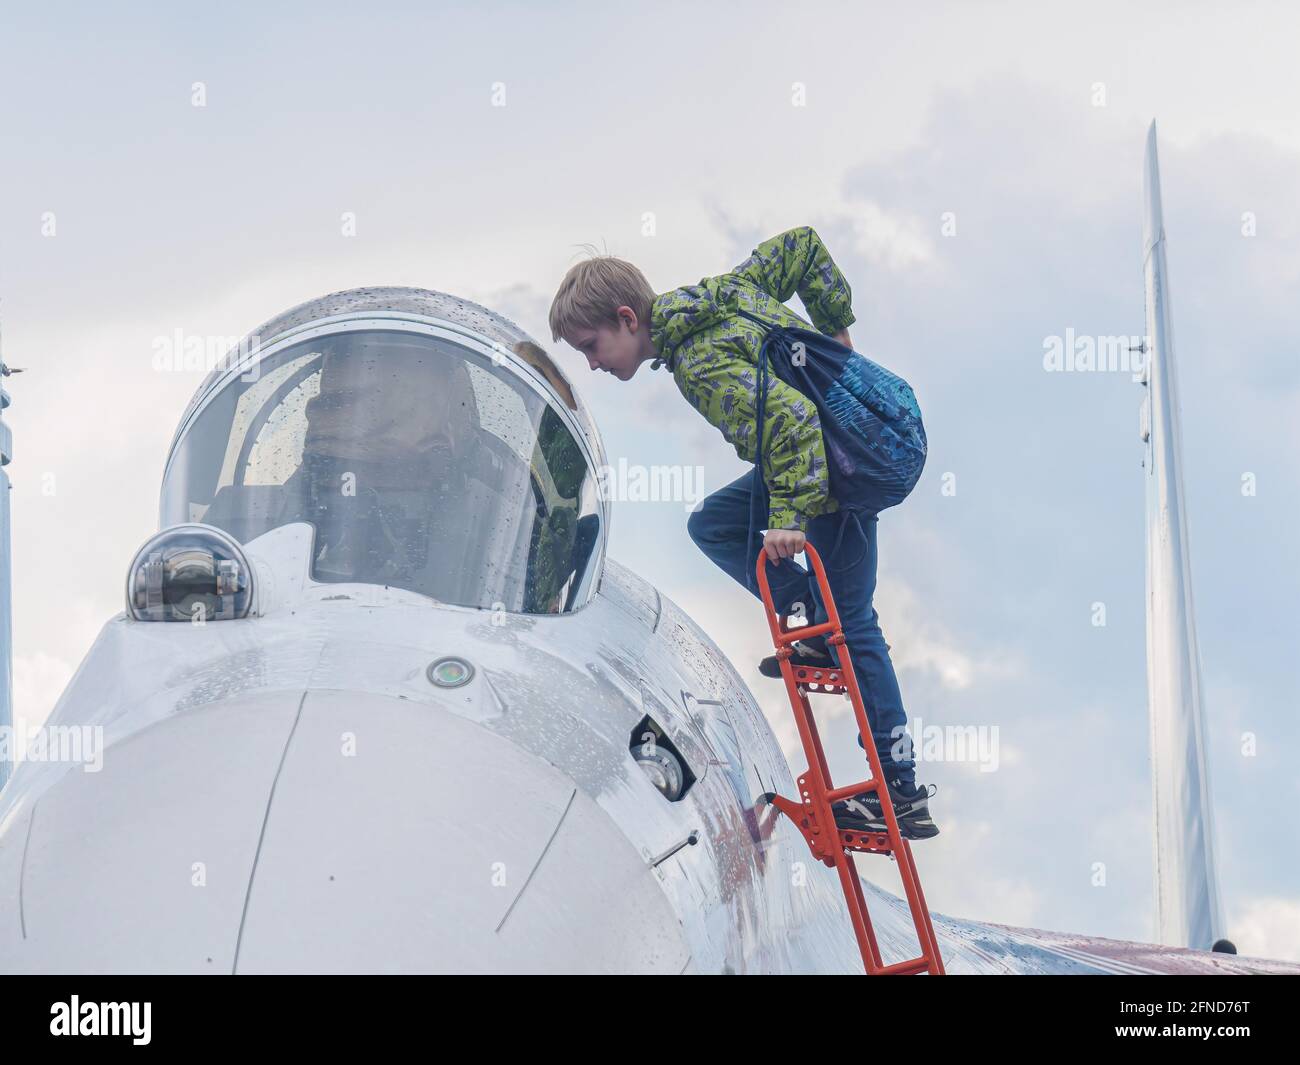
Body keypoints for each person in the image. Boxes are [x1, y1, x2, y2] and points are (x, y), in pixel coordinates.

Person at [548, 226, 938, 839]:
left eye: (592, 346)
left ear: (627, 319)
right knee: (729, 529)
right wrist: (835, 329)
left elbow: (793, 423)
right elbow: (804, 247)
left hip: (844, 460)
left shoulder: (699, 363)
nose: (593, 364)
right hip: (872, 442)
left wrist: (787, 520)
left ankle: (892, 785)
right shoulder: (730, 292)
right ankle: (816, 631)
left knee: (833, 608)